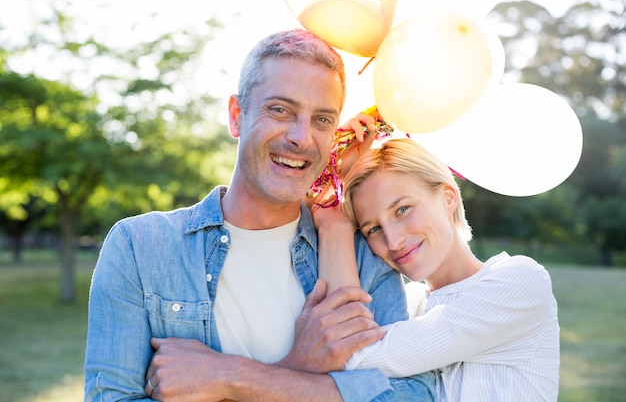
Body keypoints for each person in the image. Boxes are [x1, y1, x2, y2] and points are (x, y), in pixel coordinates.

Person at [83, 29, 436, 402]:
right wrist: (300, 370)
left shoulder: (362, 256)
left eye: (321, 120)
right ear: (237, 116)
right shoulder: (141, 247)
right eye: (280, 110)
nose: (301, 137)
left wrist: (232, 378)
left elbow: (413, 395)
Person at [313, 137, 560, 401]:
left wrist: (333, 227)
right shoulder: (409, 303)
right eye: (373, 229)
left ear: (448, 197)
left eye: (402, 209)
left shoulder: (518, 282)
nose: (393, 241)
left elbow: (346, 352)